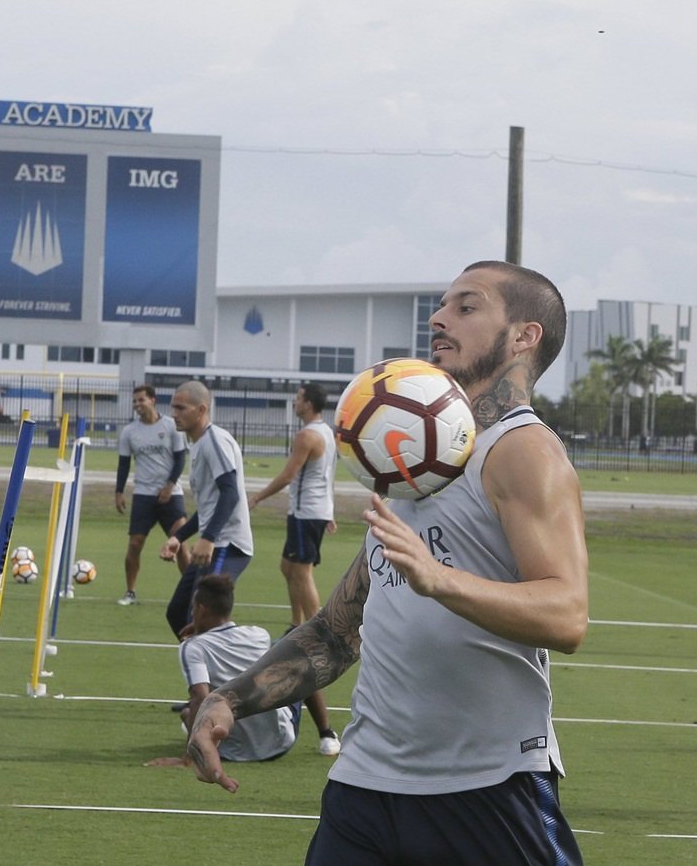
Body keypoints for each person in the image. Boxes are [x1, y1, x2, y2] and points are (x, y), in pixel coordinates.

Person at [186, 261, 588, 865]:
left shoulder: (521, 449)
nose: (439, 317)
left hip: (486, 787)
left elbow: (566, 613)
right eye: (443, 305)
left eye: (467, 306)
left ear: (524, 337)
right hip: (365, 786)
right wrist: (228, 700)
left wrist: (440, 580)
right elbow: (334, 633)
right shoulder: (414, 463)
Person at [247, 382, 343, 756]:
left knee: (300, 571)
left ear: (308, 404)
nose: (294, 401)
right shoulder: (325, 433)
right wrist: (330, 513)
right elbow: (328, 475)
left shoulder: (307, 435)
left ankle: (314, 625)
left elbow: (289, 475)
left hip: (306, 513)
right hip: (313, 512)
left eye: (298, 397)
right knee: (288, 566)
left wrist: (256, 496)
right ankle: (296, 620)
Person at [147, 575, 297, 769]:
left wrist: (190, 759)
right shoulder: (258, 634)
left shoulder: (193, 647)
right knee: (300, 661)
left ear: (201, 610)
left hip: (231, 750)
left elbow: (201, 698)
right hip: (280, 742)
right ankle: (326, 734)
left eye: (193, 608)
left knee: (190, 711)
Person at [160, 381, 254, 639]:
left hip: (227, 545)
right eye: (173, 408)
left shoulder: (214, 441)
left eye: (181, 408)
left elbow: (230, 492)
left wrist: (208, 538)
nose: (174, 414)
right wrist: (178, 538)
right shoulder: (199, 444)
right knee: (178, 613)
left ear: (201, 410)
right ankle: (201, 677)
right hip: (213, 543)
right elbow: (209, 506)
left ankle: (222, 677)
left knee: (204, 621)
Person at [114, 384, 189, 606]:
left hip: (171, 494)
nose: (137, 405)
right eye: (135, 401)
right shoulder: (130, 432)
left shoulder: (171, 426)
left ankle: (191, 592)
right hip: (143, 495)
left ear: (153, 401)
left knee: (181, 542)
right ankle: (130, 592)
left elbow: (180, 459)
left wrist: (169, 485)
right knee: (135, 544)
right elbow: (124, 464)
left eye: (141, 400)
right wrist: (119, 491)